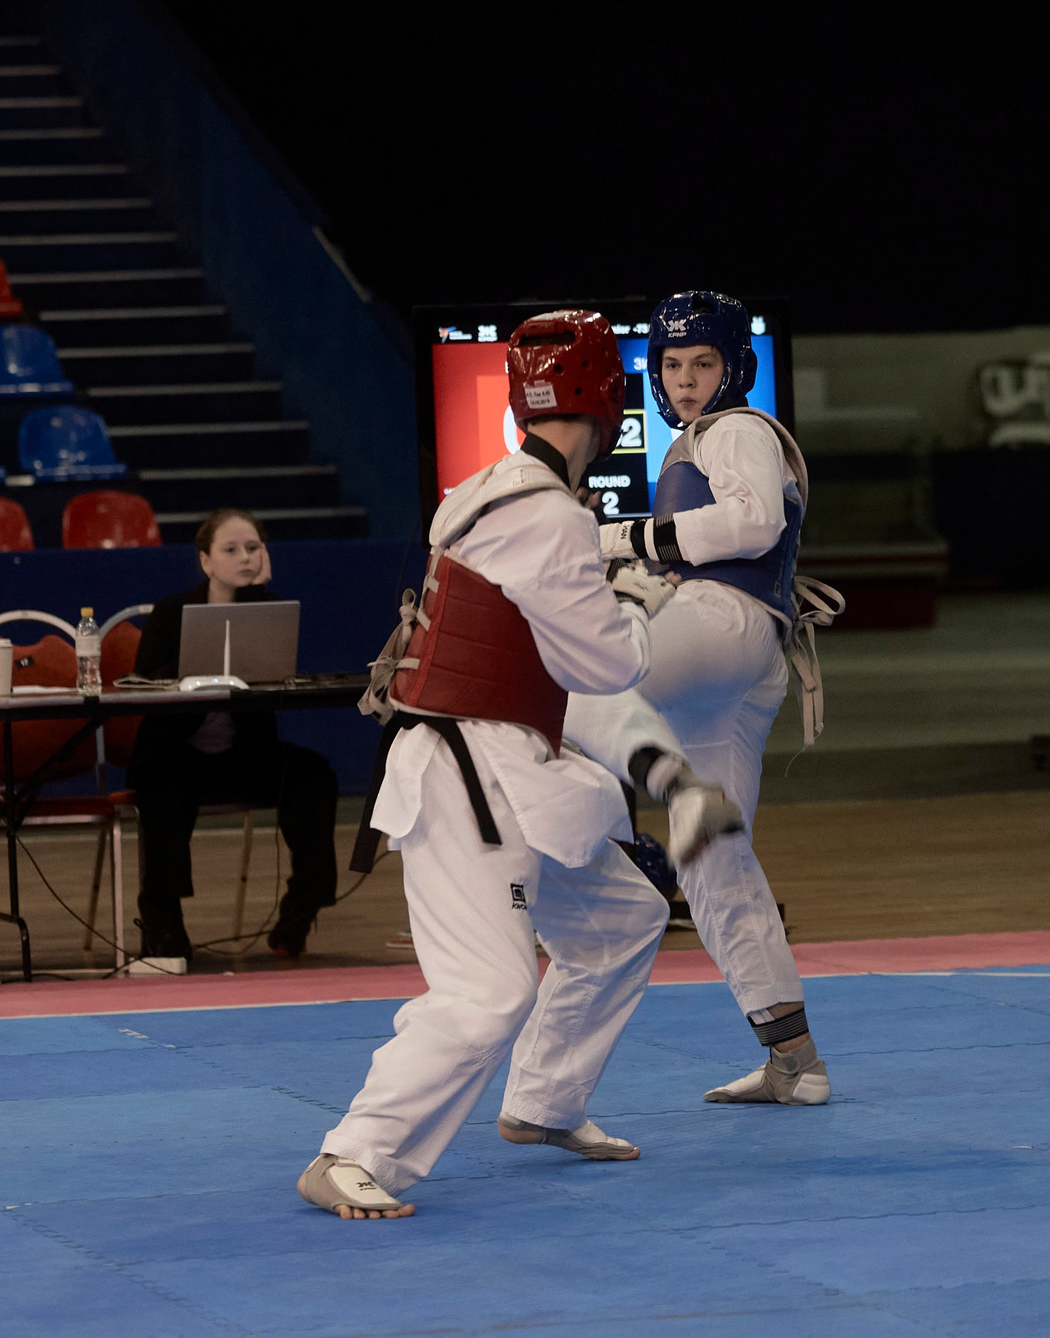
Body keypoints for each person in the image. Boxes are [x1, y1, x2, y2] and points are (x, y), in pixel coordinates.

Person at [300, 309, 743, 1221]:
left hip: (511, 761)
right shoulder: (546, 517)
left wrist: (666, 770)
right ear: (611, 404)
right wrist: (635, 598)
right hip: (468, 773)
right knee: (490, 991)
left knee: (622, 917)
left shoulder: (487, 491)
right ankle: (353, 1151)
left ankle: (543, 1101)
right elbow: (607, 667)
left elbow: (559, 668)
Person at [582, 288, 840, 1105]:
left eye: (703, 362)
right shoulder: (696, 442)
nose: (687, 379)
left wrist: (613, 538)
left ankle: (581, 862)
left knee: (577, 688)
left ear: (736, 367)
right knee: (713, 860)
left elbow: (753, 524)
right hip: (738, 664)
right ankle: (795, 1060)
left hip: (723, 626)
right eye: (672, 364)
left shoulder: (737, 429)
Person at [126, 507, 339, 973]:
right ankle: (163, 921)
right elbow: (142, 682)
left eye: (253, 548)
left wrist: (256, 598)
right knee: (161, 786)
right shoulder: (172, 611)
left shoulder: (269, 610)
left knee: (313, 775)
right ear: (206, 561)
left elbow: (275, 680)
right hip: (177, 753)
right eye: (231, 549)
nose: (245, 557)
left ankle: (302, 905)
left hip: (244, 756)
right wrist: (200, 664)